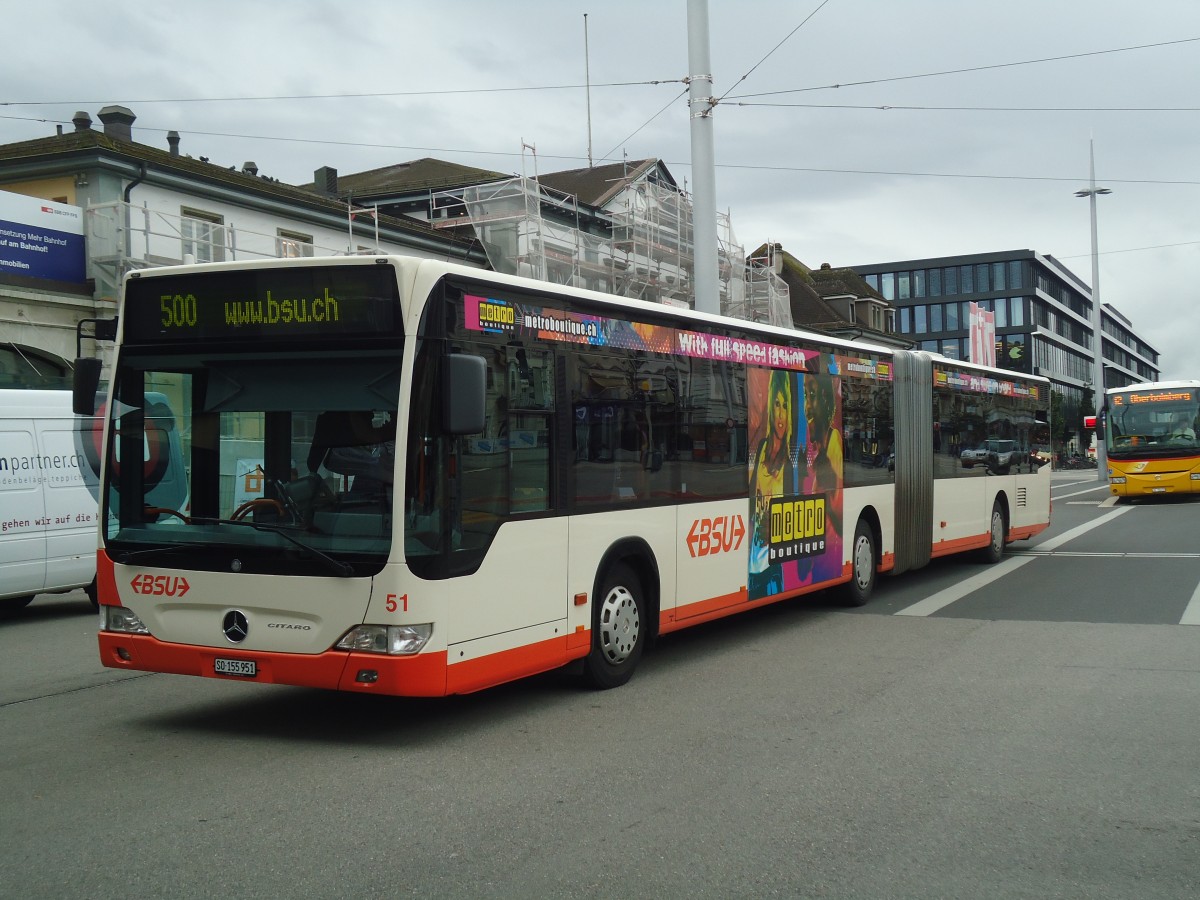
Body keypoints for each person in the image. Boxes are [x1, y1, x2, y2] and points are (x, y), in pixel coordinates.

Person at [749, 370, 799, 598]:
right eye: (777, 404)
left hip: (772, 567)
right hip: (752, 564)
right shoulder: (761, 450)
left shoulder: (790, 461)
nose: (780, 414)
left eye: (785, 406)